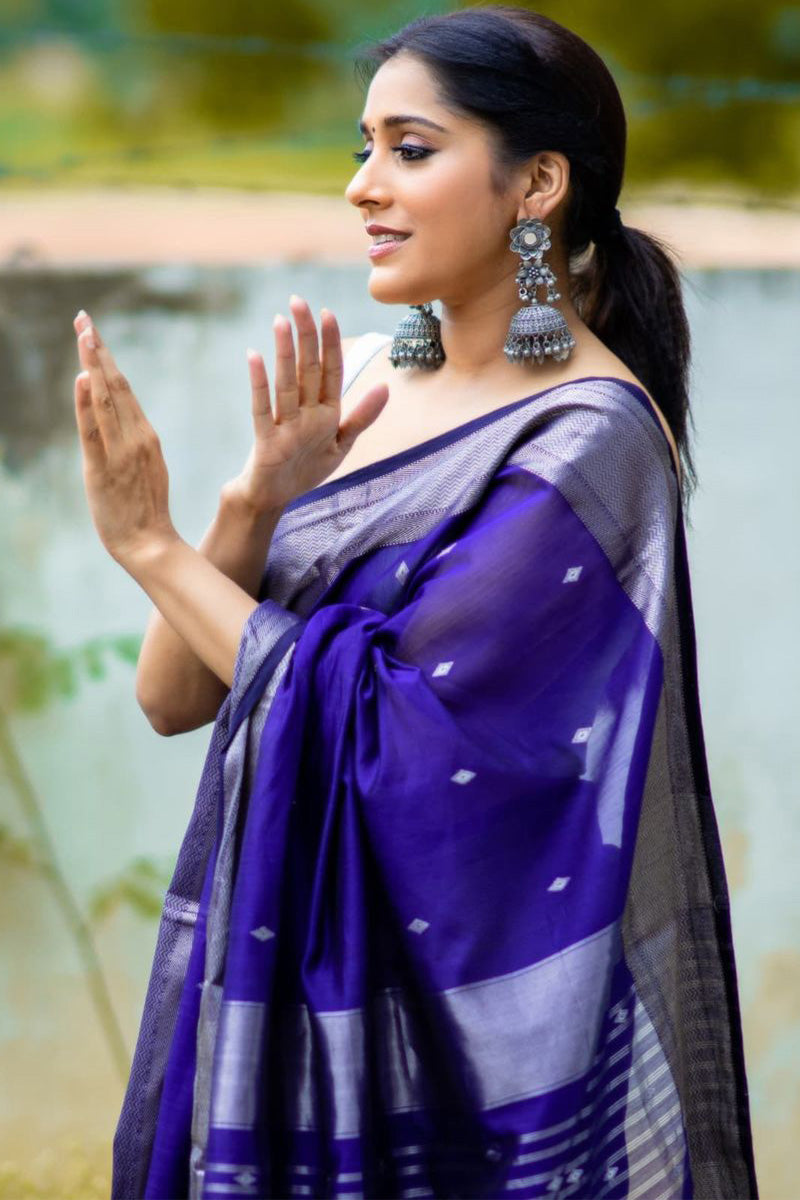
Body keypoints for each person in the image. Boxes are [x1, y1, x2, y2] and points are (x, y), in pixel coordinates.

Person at [72, 7, 758, 1198]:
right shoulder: (372, 379)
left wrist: (147, 543)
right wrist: (248, 506)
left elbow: (397, 741)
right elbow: (172, 698)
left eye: (410, 147)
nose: (361, 187)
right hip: (282, 970)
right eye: (361, 146)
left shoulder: (584, 439)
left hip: (462, 1019)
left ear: (535, 183)